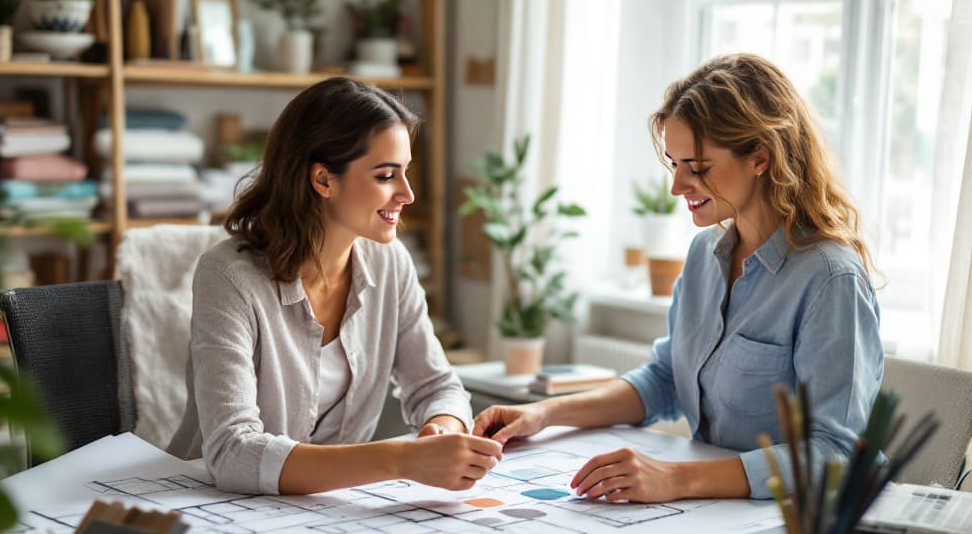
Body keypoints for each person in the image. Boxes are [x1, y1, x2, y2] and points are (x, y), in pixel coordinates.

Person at [473, 53, 883, 502]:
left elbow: (835, 455)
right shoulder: (705, 254)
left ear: (760, 158)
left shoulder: (830, 280)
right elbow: (666, 379)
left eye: (698, 167)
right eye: (675, 164)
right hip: (713, 511)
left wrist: (675, 479)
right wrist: (544, 414)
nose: (677, 186)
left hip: (792, 524)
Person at [169, 77, 502, 495]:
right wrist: (401, 460)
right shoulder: (228, 277)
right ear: (324, 180)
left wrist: (442, 431)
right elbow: (233, 452)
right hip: (210, 505)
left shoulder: (390, 263)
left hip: (332, 508)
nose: (408, 194)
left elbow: (437, 386)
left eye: (406, 173)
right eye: (386, 175)